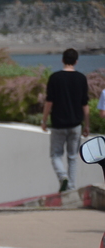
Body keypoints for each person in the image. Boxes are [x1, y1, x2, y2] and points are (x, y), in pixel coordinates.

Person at [41, 48, 90, 192]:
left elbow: (49, 102)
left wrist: (44, 120)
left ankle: (63, 177)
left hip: (58, 124)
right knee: (73, 157)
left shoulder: (54, 78)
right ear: (76, 61)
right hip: (75, 124)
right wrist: (87, 124)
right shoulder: (81, 78)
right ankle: (71, 187)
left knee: (56, 155)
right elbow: (85, 104)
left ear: (62, 60)